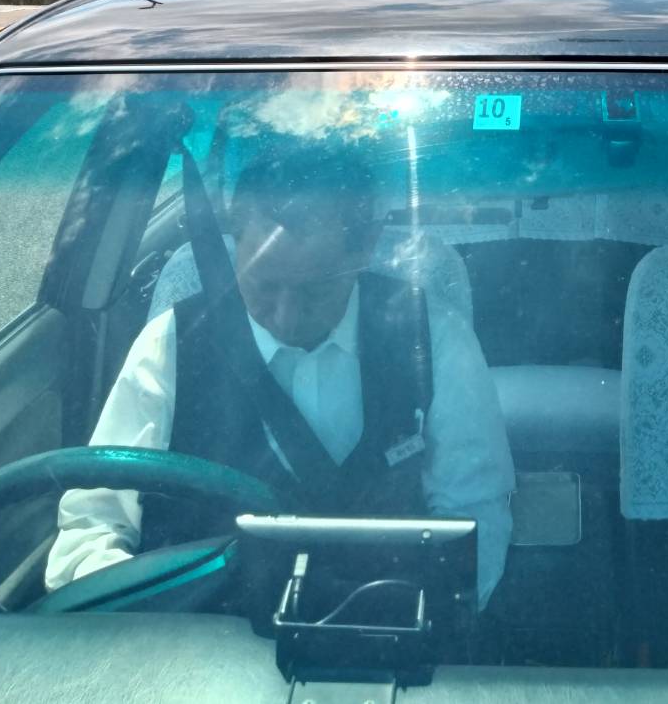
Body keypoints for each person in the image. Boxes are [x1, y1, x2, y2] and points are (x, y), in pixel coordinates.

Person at [46, 140, 515, 607]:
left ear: (367, 248)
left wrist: (433, 618)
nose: (286, 318)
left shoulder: (431, 339)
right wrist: (138, 624)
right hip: (194, 638)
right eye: (264, 286)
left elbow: (476, 518)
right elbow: (94, 521)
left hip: (385, 628)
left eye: (315, 291)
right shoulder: (171, 343)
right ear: (235, 244)